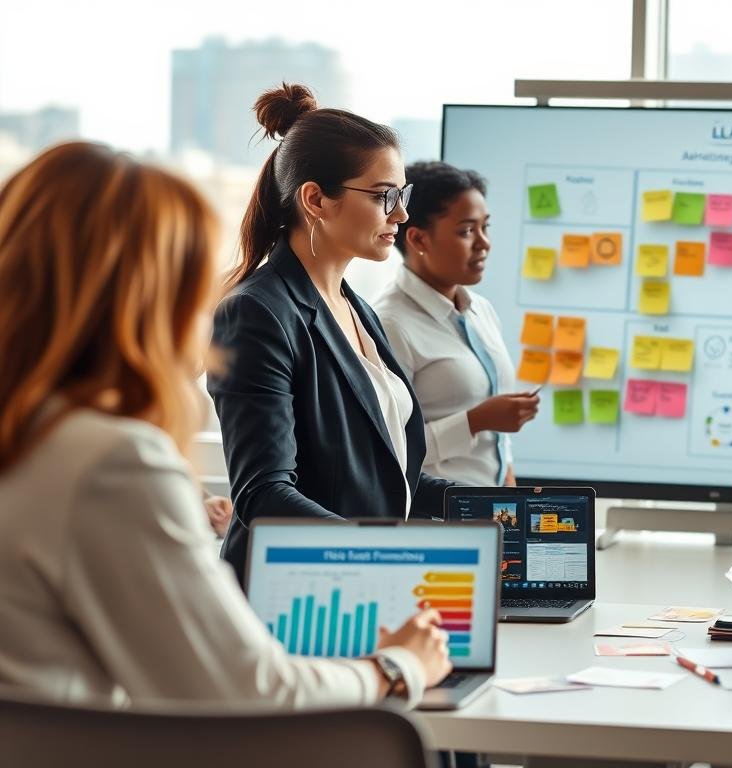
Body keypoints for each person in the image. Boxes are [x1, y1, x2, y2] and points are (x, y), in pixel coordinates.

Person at [0, 142, 450, 707]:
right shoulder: (114, 457)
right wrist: (396, 666)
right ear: (143, 295)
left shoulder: (40, 435)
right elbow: (245, 686)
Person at [208, 84, 455, 584]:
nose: (401, 214)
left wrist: (506, 510)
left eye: (401, 195)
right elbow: (264, 494)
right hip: (294, 597)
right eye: (385, 195)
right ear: (316, 199)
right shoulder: (256, 314)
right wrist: (386, 557)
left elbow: (390, 476)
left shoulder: (354, 307)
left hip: (361, 588)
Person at [374, 162, 538, 486]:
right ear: (419, 239)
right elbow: (386, 450)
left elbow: (498, 445)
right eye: (466, 231)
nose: (484, 243)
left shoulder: (482, 310)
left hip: (494, 515)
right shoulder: (389, 324)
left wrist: (513, 499)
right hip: (436, 524)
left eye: (485, 227)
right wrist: (474, 422)